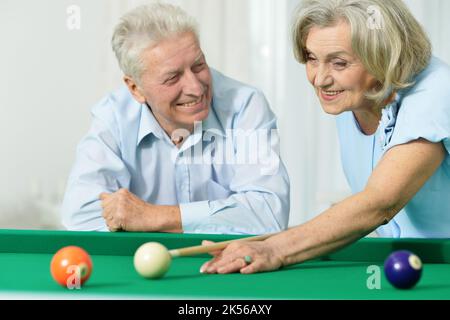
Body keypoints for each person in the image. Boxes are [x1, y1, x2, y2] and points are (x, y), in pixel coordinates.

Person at [200, 0, 450, 274]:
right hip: (411, 267)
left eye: (339, 63)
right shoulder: (352, 96)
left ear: (385, 55)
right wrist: (263, 241)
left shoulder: (438, 91)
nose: (319, 79)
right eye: (311, 58)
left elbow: (380, 203)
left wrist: (275, 249)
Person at [61, 3, 290, 234]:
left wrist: (154, 217)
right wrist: (222, 217)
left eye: (199, 65)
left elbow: (269, 214)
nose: (195, 87)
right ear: (135, 88)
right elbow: (80, 217)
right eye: (173, 78)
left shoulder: (246, 105)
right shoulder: (113, 117)